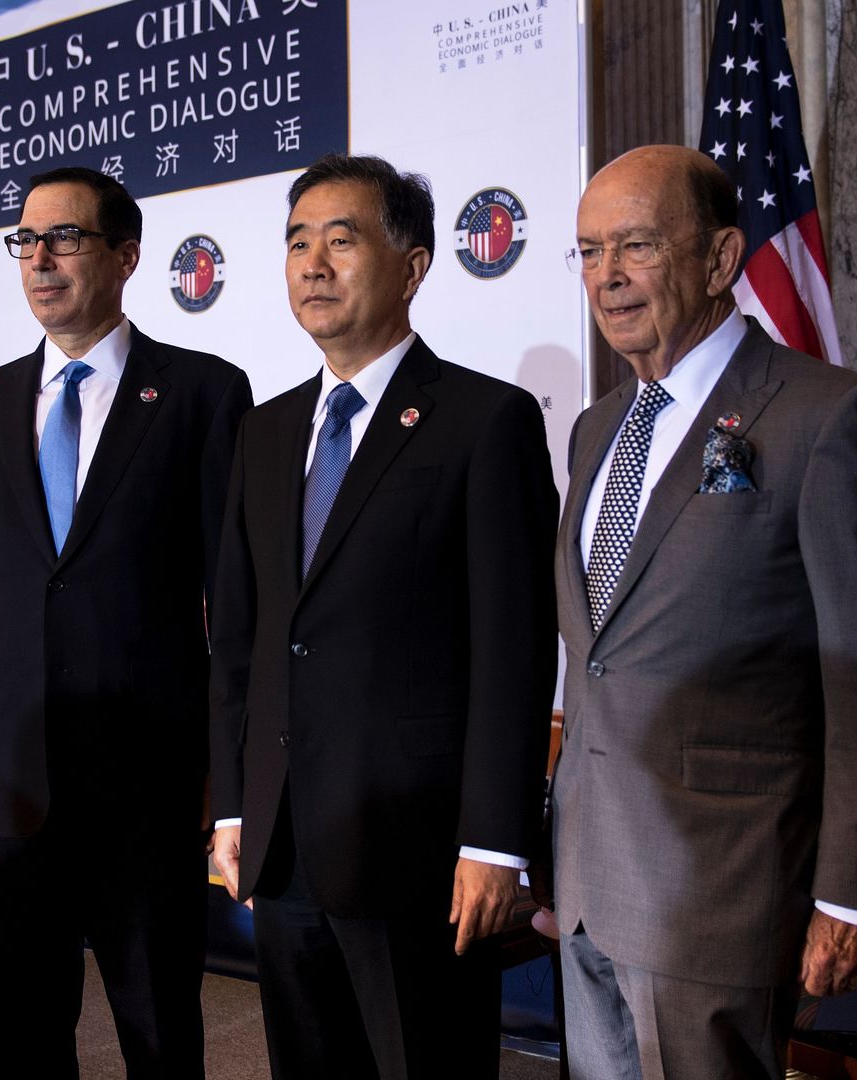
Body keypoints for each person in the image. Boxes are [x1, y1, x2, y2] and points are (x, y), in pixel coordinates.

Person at [546, 144, 857, 1079]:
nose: (608, 277)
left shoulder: (828, 419)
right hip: (590, 880)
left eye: (635, 246)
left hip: (723, 890)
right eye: (589, 252)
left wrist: (856, 897)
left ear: (720, 261)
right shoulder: (598, 427)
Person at [207, 153, 560, 1079]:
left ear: (412, 265)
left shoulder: (486, 421)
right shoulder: (267, 429)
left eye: (340, 238)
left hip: (424, 856)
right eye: (296, 242)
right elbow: (242, 641)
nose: (312, 264)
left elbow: (514, 652)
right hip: (284, 850)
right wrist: (233, 807)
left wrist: (495, 842)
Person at [0, 165, 253, 1078]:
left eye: (65, 238)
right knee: (22, 1028)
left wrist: (231, 780)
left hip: (147, 775)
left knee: (160, 1024)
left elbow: (238, 604)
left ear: (126, 255)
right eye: (26, 241)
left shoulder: (202, 394)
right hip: (7, 773)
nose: (40, 259)